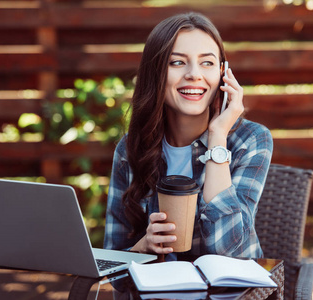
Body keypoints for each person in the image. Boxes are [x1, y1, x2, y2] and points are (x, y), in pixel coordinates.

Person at [103, 12, 273, 258]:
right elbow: (114, 260)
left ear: (223, 74)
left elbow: (229, 252)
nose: (194, 74)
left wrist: (217, 137)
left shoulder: (251, 140)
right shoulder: (131, 147)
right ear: (156, 73)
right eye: (177, 62)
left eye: (207, 62)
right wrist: (142, 249)